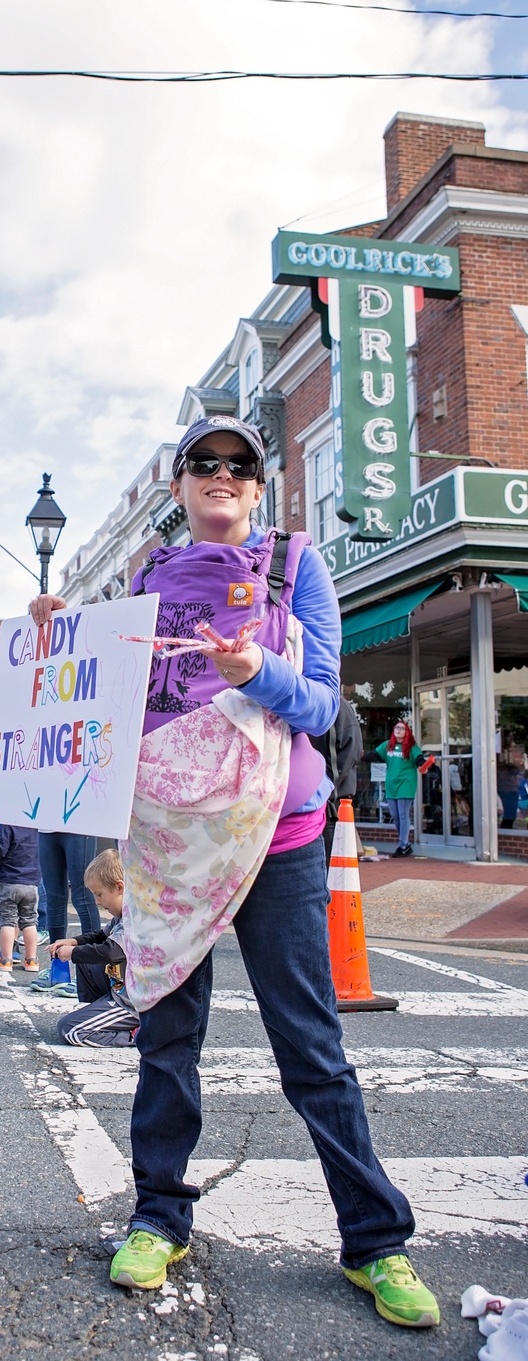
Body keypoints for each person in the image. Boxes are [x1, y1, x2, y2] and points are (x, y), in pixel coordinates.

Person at [29, 417, 439, 1328]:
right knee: (166, 1037)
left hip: (278, 838)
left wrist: (257, 670)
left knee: (311, 1047)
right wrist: (56, 638)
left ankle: (376, 1240)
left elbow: (324, 701)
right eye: (203, 464)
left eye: (239, 465)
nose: (222, 475)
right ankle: (157, 1216)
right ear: (180, 487)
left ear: (259, 488)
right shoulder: (143, 580)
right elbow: (99, 699)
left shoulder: (296, 567)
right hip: (169, 844)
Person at [52, 847, 139, 1048]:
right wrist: (73, 942)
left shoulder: (135, 919)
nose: (97, 901)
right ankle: (98, 1012)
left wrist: (73, 953)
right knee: (86, 960)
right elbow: (101, 936)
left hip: (132, 1005)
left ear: (120, 887)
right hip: (122, 991)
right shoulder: (121, 915)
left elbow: (111, 950)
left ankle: (135, 1034)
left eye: (99, 894)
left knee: (70, 1030)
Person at [29, 831, 100, 991]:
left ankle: (90, 974)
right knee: (54, 898)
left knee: (83, 897)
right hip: (47, 826)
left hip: (79, 825)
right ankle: (58, 969)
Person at [369, 721, 434, 858]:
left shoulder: (411, 747)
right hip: (391, 785)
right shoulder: (388, 745)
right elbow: (374, 755)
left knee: (403, 815)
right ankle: (405, 844)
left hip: (406, 783)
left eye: (402, 728)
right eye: (397, 727)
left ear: (407, 732)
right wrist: (357, 755)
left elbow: (419, 759)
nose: (399, 730)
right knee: (395, 816)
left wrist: (423, 765)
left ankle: (402, 845)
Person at [0, 823, 40, 973]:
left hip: (9, 882)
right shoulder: (36, 827)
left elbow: (0, 850)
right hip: (31, 884)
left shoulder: (9, 827)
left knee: (7, 921)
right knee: (29, 921)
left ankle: (6, 959)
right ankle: (31, 959)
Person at [311, 696, 364, 862]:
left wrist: (322, 786)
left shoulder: (337, 706)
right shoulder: (302, 703)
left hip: (332, 803)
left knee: (332, 866)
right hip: (313, 802)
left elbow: (351, 750)